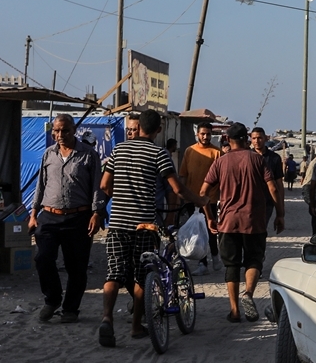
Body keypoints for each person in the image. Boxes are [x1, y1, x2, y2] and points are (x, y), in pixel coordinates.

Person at [98, 110, 207, 348]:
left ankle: (107, 319)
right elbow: (176, 189)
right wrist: (199, 201)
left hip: (117, 223)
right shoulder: (160, 153)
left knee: (114, 272)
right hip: (144, 225)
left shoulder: (119, 149)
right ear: (158, 130)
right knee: (142, 274)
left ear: (137, 128)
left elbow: (105, 185)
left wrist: (122, 198)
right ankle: (137, 326)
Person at [201, 123, 285, 323]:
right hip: (254, 220)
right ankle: (248, 293)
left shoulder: (221, 162)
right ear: (247, 139)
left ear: (228, 140)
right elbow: (273, 188)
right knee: (254, 260)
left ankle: (235, 310)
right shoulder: (257, 160)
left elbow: (203, 192)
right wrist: (280, 214)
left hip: (228, 221)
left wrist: (210, 217)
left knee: (231, 264)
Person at [28, 114, 104, 324]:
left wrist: (97, 213)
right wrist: (34, 213)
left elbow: (97, 187)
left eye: (65, 130)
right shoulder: (48, 154)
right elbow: (40, 185)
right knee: (43, 259)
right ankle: (52, 300)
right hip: (49, 217)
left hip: (78, 218)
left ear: (73, 131)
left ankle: (71, 308)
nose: (60, 135)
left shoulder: (88, 155)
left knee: (76, 267)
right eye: (57, 131)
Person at [178, 121, 222, 275]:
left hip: (210, 199)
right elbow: (183, 174)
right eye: (202, 134)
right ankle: (202, 263)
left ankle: (215, 255)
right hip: (192, 198)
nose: (205, 137)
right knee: (197, 232)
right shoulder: (190, 151)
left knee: (211, 230)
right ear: (197, 134)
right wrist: (181, 194)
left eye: (208, 134)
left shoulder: (217, 153)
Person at [250, 127, 284, 228]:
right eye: (254, 138)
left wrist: (281, 208)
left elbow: (279, 183)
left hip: (267, 202)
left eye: (259, 138)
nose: (257, 141)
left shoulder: (274, 158)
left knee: (261, 229)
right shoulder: (247, 156)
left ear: (265, 138)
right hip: (249, 201)